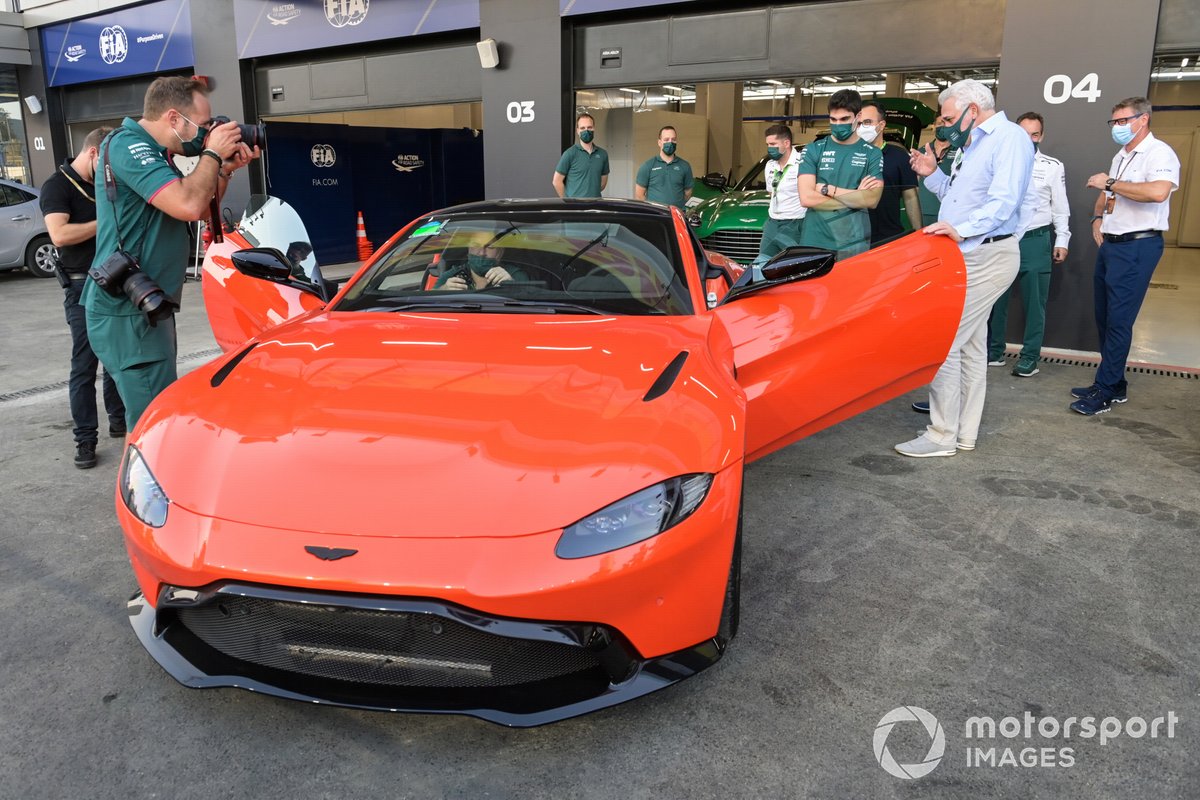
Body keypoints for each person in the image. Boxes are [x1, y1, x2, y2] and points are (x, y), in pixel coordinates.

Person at [84, 76, 259, 437]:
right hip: (128, 314)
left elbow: (199, 203)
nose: (207, 133)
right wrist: (212, 153)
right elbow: (190, 203)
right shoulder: (130, 146)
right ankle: (147, 494)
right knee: (154, 429)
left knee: (156, 414)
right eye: (204, 125)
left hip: (146, 306)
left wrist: (224, 167)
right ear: (175, 119)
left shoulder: (156, 151)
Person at [895, 79, 1033, 457]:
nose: (944, 125)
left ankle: (941, 434)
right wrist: (932, 174)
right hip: (968, 253)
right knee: (970, 346)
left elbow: (1004, 202)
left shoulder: (1009, 138)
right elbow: (960, 199)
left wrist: (962, 230)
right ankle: (963, 434)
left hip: (987, 254)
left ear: (974, 110)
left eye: (949, 117)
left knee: (944, 340)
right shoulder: (973, 145)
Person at [1072, 97, 1179, 415]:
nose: (1117, 128)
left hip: (1138, 246)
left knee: (1119, 320)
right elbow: (1109, 195)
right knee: (1105, 318)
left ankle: (1105, 389)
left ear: (1143, 119)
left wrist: (1110, 182)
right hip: (1113, 246)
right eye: (1114, 123)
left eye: (1123, 121)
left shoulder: (1159, 153)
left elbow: (1158, 192)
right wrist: (1097, 218)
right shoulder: (1122, 155)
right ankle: (1115, 383)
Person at [40, 127, 127, 469]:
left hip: (115, 280)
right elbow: (59, 235)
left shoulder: (103, 181)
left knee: (117, 358)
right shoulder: (57, 186)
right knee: (85, 365)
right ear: (94, 153)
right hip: (80, 286)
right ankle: (85, 440)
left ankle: (118, 420)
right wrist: (104, 221)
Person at [988, 112, 1071, 378]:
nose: (1029, 139)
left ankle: (1030, 357)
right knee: (995, 299)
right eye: (1024, 134)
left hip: (1035, 240)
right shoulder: (999, 162)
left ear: (1041, 136)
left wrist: (1063, 239)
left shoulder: (1052, 166)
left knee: (1035, 302)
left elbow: (1060, 207)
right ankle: (994, 351)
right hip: (1004, 238)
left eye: (1034, 135)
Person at [797, 89, 883, 259]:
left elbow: (872, 200)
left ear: (858, 117)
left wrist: (827, 189)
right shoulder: (813, 149)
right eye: (833, 119)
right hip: (815, 240)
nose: (838, 124)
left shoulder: (872, 153)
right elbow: (806, 198)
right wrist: (856, 197)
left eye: (844, 119)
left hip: (853, 242)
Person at [859, 100, 921, 246]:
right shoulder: (848, 157)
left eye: (867, 122)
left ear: (881, 125)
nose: (862, 128)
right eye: (859, 123)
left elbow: (910, 197)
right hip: (855, 239)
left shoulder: (899, 157)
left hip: (890, 238)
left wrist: (918, 234)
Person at [754, 124, 806, 266]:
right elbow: (771, 191)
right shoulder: (770, 165)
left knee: (793, 266)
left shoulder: (803, 163)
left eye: (773, 144)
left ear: (786, 143)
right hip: (772, 222)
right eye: (767, 144)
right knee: (762, 266)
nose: (769, 148)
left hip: (794, 223)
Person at [435, 232, 523, 290]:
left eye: (490, 247)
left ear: (500, 252)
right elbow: (429, 297)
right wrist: (444, 289)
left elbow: (532, 297)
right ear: (468, 249)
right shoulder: (453, 275)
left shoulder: (513, 274)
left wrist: (512, 285)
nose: (481, 253)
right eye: (476, 245)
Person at [634, 125, 694, 210]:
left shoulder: (685, 166)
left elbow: (687, 193)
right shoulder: (647, 166)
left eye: (673, 139)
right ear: (659, 142)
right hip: (656, 217)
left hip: (678, 217)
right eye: (666, 140)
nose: (670, 142)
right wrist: (652, 209)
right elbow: (639, 195)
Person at [552, 113, 609, 198]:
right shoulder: (570, 154)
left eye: (589, 127)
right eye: (582, 128)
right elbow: (556, 181)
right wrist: (568, 201)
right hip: (576, 208)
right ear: (577, 131)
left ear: (594, 128)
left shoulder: (603, 154)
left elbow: (602, 184)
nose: (586, 130)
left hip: (596, 205)